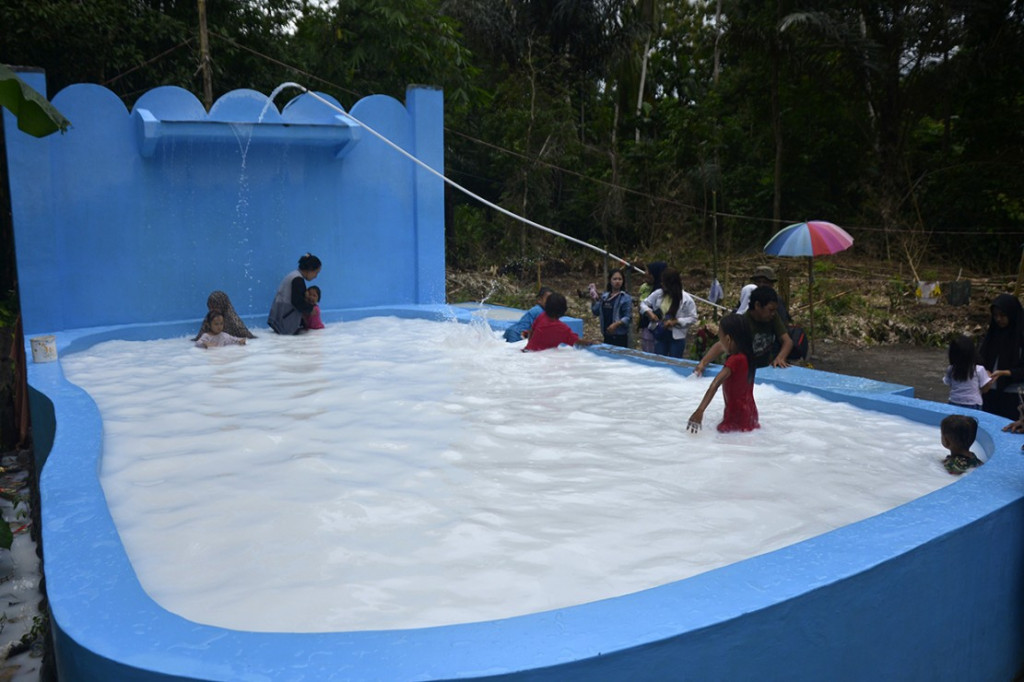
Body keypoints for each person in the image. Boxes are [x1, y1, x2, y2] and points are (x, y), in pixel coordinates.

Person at [694, 286, 793, 375]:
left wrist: (780, 357)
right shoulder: (743, 322)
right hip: (744, 371)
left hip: (763, 371)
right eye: (770, 310)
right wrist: (703, 363)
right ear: (757, 305)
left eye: (775, 310)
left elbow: (787, 341)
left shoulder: (773, 318)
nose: (773, 313)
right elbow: (721, 345)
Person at [687, 314, 759, 433]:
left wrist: (700, 410)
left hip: (735, 417)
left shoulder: (734, 360)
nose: (719, 341)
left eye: (720, 337)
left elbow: (715, 384)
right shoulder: (748, 356)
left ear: (729, 339)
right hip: (750, 413)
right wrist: (703, 363)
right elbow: (720, 346)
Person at [979, 293, 1024, 419]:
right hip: (990, 390)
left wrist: (1007, 373)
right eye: (995, 316)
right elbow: (980, 358)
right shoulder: (992, 335)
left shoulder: (1020, 338)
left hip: (1013, 393)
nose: (998, 319)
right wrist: (985, 370)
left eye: (1003, 315)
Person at [639, 268, 697, 359]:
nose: (662, 284)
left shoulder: (686, 299)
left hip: (676, 336)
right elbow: (643, 304)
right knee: (660, 360)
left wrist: (676, 321)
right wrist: (649, 312)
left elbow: (693, 318)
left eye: (664, 282)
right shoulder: (658, 294)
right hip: (660, 334)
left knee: (675, 362)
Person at [944, 334, 1003, 409]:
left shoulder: (951, 369)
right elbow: (985, 390)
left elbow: (950, 384)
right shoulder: (979, 369)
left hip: (954, 401)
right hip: (973, 403)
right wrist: (989, 379)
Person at [268, 253, 321, 335]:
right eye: (316, 272)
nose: (316, 276)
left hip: (279, 318)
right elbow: (298, 302)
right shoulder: (298, 279)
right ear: (310, 269)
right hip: (285, 321)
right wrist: (310, 309)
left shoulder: (294, 275)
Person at [524, 292, 591, 352]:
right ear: (563, 310)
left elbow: (531, 332)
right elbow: (576, 341)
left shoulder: (541, 316)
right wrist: (592, 342)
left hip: (528, 351)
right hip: (541, 356)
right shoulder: (562, 328)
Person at [591, 269, 632, 347]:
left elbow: (628, 317)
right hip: (606, 334)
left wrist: (616, 324)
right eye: (615, 279)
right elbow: (595, 311)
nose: (617, 281)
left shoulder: (625, 298)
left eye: (620, 279)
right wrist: (593, 299)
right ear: (610, 280)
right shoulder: (605, 296)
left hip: (619, 335)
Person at [636, 261, 667, 353]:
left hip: (659, 331)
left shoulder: (661, 292)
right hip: (648, 331)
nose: (645, 274)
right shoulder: (647, 289)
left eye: (648, 272)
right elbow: (643, 304)